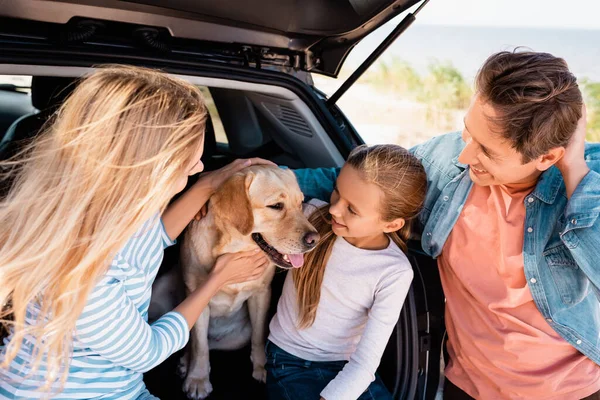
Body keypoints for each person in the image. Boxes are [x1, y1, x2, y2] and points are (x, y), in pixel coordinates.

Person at [292, 50, 600, 399]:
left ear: (547, 157)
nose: (465, 155)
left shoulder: (589, 182)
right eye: (468, 133)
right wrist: (254, 180)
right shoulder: (446, 158)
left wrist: (575, 172)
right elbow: (360, 184)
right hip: (464, 387)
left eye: (486, 150)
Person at [0, 66, 273, 399]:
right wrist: (216, 279)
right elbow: (149, 351)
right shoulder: (87, 277)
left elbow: (152, 238)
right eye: (191, 158)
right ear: (151, 162)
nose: (200, 166)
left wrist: (208, 185)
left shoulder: (108, 210)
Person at [265, 144, 427, 400]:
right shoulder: (308, 219)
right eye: (336, 192)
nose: (334, 209)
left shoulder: (394, 271)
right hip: (290, 361)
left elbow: (365, 363)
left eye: (352, 209)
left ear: (391, 224)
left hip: (349, 368)